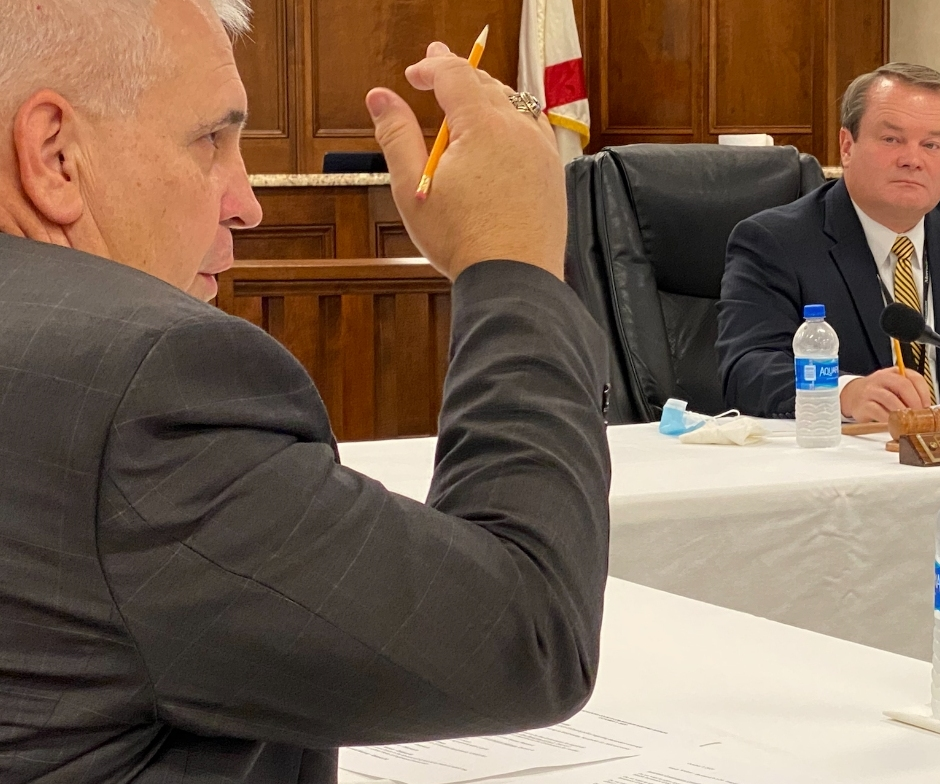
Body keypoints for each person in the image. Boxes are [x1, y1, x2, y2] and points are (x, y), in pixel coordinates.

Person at [0, 1, 611, 782]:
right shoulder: (142, 388)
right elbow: (527, 634)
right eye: (211, 141)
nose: (245, 201)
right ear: (54, 156)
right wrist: (513, 262)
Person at [716, 62, 940, 422]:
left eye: (932, 145)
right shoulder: (775, 242)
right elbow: (747, 370)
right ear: (847, 145)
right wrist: (844, 393)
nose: (912, 160)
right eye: (892, 140)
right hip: (843, 465)